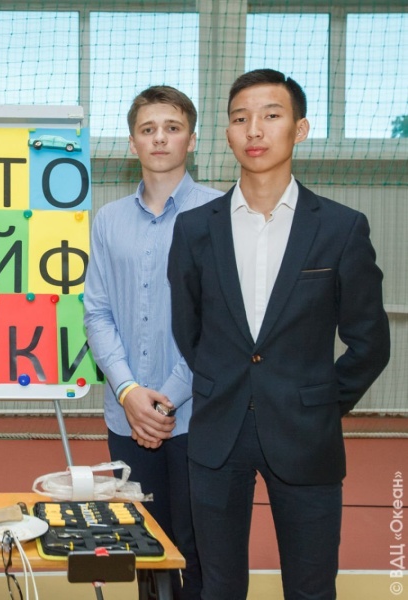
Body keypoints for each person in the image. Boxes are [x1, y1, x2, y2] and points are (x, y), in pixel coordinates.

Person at [168, 69, 390, 599]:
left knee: (311, 588)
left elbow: (369, 342)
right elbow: (188, 328)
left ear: (300, 129)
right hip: (218, 431)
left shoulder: (341, 227)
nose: (255, 130)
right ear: (227, 134)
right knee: (218, 587)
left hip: (306, 433)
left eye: (271, 115)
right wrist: (222, 382)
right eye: (240, 118)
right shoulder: (195, 229)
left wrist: (318, 401)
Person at [83, 85, 220, 599]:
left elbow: (219, 323)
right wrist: (129, 392)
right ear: (133, 142)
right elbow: (97, 313)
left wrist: (166, 399)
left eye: (172, 127)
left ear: (191, 139)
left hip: (197, 416)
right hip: (127, 417)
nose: (160, 138)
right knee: (144, 547)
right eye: (148, 129)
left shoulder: (220, 213)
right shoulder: (108, 220)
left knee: (198, 549)